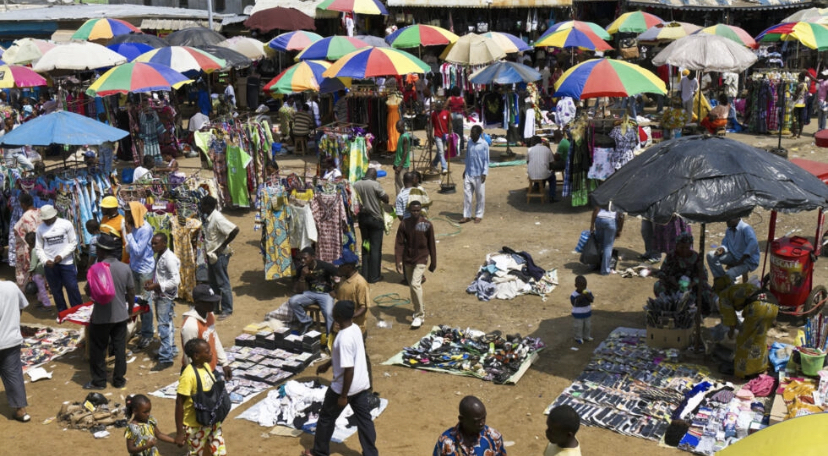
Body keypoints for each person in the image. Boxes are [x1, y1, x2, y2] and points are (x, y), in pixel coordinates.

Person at [303, 300, 377, 456]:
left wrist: (343, 396)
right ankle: (371, 453)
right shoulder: (355, 329)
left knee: (326, 418)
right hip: (361, 385)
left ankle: (320, 452)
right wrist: (328, 364)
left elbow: (348, 369)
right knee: (365, 421)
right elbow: (347, 357)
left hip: (343, 388)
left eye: (334, 310)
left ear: (339, 315)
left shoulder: (343, 338)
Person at [84, 233, 135, 390]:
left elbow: (88, 291)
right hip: (120, 315)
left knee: (98, 349)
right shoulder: (125, 268)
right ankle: (119, 380)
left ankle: (99, 381)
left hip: (101, 317)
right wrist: (130, 311)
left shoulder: (95, 269)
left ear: (100, 251)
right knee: (120, 348)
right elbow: (131, 292)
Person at [716, 277, 779, 378]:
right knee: (760, 338)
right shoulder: (738, 288)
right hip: (773, 304)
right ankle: (760, 368)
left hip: (759, 307)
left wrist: (730, 334)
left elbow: (730, 320)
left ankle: (743, 372)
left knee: (744, 340)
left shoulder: (723, 295)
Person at [175, 338, 227, 456]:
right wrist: (179, 432)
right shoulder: (188, 376)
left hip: (212, 421)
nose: (211, 353)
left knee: (220, 452)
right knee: (196, 453)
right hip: (195, 425)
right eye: (207, 351)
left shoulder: (206, 367)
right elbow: (179, 403)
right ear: (197, 356)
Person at [332, 251, 372, 385]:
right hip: (340, 327)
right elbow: (340, 296)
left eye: (341, 266)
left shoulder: (360, 283)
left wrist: (348, 318)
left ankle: (367, 387)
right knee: (341, 358)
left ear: (349, 267)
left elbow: (363, 307)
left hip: (356, 328)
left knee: (359, 359)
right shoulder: (343, 279)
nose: (338, 268)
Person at [395, 200, 436, 329]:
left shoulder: (426, 225)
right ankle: (418, 307)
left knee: (415, 283)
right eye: (413, 210)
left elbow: (432, 244)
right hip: (408, 258)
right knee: (412, 286)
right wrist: (398, 260)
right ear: (409, 211)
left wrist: (433, 262)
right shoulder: (404, 224)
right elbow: (399, 243)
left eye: (417, 210)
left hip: (422, 258)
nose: (415, 213)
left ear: (420, 210)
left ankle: (419, 315)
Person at [655, 232, 717, 315]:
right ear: (676, 246)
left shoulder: (696, 257)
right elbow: (662, 272)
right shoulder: (671, 256)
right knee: (658, 285)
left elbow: (703, 276)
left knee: (707, 291)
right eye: (681, 247)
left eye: (687, 247)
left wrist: (691, 284)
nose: (684, 250)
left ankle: (702, 310)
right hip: (674, 285)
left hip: (691, 287)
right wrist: (671, 280)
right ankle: (667, 306)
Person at [35, 205, 82, 313]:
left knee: (72, 287)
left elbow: (73, 242)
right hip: (50, 265)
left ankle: (78, 311)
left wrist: (62, 256)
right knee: (56, 290)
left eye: (48, 219)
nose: (46, 221)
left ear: (54, 215)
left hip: (66, 263)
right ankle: (63, 312)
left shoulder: (66, 224)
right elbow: (38, 248)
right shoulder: (40, 229)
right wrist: (45, 261)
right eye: (45, 219)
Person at [145, 233, 180, 371]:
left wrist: (157, 285)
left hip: (165, 295)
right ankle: (170, 349)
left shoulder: (169, 258)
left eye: (155, 243)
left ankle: (166, 358)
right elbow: (161, 274)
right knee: (168, 322)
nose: (153, 246)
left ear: (164, 243)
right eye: (152, 243)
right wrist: (152, 282)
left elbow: (175, 281)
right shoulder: (160, 255)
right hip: (161, 293)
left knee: (163, 325)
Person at [200, 196, 239, 319]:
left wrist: (222, 246)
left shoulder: (217, 218)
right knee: (213, 283)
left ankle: (227, 309)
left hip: (219, 256)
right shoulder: (208, 218)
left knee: (223, 283)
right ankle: (215, 307)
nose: (201, 207)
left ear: (208, 206)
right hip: (212, 255)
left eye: (202, 205)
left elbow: (235, 230)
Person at [180, 285, 231, 378]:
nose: (213, 305)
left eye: (213, 301)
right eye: (209, 302)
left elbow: (214, 338)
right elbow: (189, 357)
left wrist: (224, 363)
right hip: (198, 374)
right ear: (198, 303)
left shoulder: (209, 314)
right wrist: (199, 379)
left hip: (210, 368)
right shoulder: (191, 325)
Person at [0, 277, 31, 422]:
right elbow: (21, 306)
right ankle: (20, 410)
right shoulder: (11, 287)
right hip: (11, 339)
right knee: (13, 374)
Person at [125, 201, 156, 350]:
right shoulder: (132, 228)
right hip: (134, 268)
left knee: (146, 302)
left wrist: (129, 235)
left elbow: (137, 251)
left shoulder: (145, 229)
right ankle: (142, 329)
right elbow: (128, 249)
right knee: (137, 300)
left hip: (145, 270)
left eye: (128, 214)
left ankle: (148, 334)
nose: (125, 217)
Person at [433, 396, 506, 456]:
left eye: (483, 418)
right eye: (476, 421)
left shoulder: (494, 437)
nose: (482, 423)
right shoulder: (446, 441)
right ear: (462, 419)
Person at [289, 247, 338, 335]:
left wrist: (336, 291)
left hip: (326, 294)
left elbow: (340, 277)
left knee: (328, 312)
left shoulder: (324, 266)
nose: (303, 261)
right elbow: (299, 291)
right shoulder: (301, 269)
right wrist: (302, 277)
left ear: (313, 257)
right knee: (293, 301)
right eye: (301, 259)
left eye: (305, 258)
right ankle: (307, 321)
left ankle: (329, 337)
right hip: (311, 293)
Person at [353, 168, 389, 284]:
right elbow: (386, 199)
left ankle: (365, 274)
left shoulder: (356, 184)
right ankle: (374, 276)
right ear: (374, 176)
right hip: (375, 219)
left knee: (365, 245)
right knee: (375, 248)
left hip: (363, 219)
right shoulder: (375, 184)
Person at [459, 125, 489, 224]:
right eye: (471, 132)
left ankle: (478, 215)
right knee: (467, 196)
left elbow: (486, 160)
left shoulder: (484, 144)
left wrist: (484, 173)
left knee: (480, 196)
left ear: (479, 134)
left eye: (473, 133)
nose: (471, 135)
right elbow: (467, 157)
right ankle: (466, 215)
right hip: (469, 173)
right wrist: (465, 169)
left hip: (479, 175)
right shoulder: (470, 144)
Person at [12, 193, 40, 289]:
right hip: (40, 247)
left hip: (28, 249)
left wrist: (32, 253)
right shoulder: (39, 212)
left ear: (23, 204)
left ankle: (29, 292)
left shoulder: (26, 217)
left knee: (26, 271)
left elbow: (32, 235)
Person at [589, 205, 624, 276]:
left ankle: (593, 265)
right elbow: (621, 215)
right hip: (611, 221)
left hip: (599, 219)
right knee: (608, 247)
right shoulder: (618, 198)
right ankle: (605, 270)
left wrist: (592, 224)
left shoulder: (603, 195)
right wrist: (619, 229)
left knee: (598, 244)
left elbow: (596, 210)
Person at [25, 233, 51, 311]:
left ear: (31, 242)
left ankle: (47, 305)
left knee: (41, 289)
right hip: (44, 270)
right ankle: (40, 301)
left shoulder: (34, 250)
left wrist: (30, 274)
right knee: (40, 287)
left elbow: (33, 264)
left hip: (38, 272)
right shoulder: (44, 246)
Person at [527, 136, 556, 202]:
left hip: (531, 174)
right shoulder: (546, 149)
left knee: (539, 171)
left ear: (532, 143)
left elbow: (528, 162)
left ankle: (537, 186)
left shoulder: (529, 150)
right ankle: (552, 196)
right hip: (543, 173)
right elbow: (552, 162)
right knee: (552, 177)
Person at [101, 195, 128, 262]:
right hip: (103, 256)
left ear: (112, 208)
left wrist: (122, 262)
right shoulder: (104, 218)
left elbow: (126, 244)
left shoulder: (122, 221)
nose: (101, 209)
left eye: (104, 207)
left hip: (115, 258)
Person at [571, 275, 594, 344]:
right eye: (581, 286)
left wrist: (587, 296)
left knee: (587, 326)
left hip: (587, 313)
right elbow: (574, 303)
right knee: (579, 327)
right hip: (578, 314)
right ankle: (578, 337)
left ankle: (586, 336)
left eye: (585, 286)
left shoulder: (588, 291)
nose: (583, 288)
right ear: (576, 285)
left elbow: (591, 300)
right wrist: (581, 297)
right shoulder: (574, 294)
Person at [393, 120, 412, 195]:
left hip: (402, 165)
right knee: (398, 183)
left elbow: (405, 152)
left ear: (403, 127)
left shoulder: (404, 137)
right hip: (399, 163)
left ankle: (402, 200)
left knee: (401, 184)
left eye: (399, 127)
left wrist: (400, 166)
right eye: (396, 128)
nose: (397, 129)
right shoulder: (401, 135)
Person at [430, 101, 450, 174]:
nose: (438, 109)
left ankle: (434, 163)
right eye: (437, 107)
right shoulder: (433, 114)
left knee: (440, 152)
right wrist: (430, 135)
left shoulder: (446, 113)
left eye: (439, 107)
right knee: (441, 151)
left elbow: (449, 124)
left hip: (445, 135)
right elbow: (431, 125)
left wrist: (450, 134)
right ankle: (444, 167)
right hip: (437, 135)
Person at [447, 87, 467, 152]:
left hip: (452, 115)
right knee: (460, 133)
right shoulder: (462, 99)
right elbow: (465, 109)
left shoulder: (450, 98)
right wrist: (467, 117)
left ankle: (453, 147)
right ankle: (460, 148)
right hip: (459, 116)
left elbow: (445, 106)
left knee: (452, 132)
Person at [792, 71, 809, 139]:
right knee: (801, 119)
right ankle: (799, 134)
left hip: (797, 104)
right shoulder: (805, 85)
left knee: (794, 119)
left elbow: (796, 95)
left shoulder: (799, 85)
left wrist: (790, 93)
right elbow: (806, 92)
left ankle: (794, 134)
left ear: (799, 78)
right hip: (803, 103)